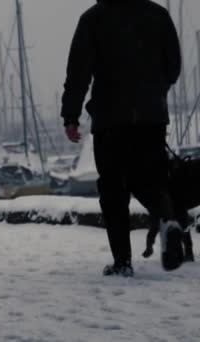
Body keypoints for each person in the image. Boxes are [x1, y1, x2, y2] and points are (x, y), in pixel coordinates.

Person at [61, 0, 185, 276]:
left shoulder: (93, 19)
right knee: (153, 179)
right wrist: (153, 91)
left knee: (113, 189)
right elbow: (173, 67)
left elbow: (78, 72)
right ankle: (168, 220)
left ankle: (123, 262)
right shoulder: (157, 14)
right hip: (151, 117)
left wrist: (71, 115)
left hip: (110, 119)